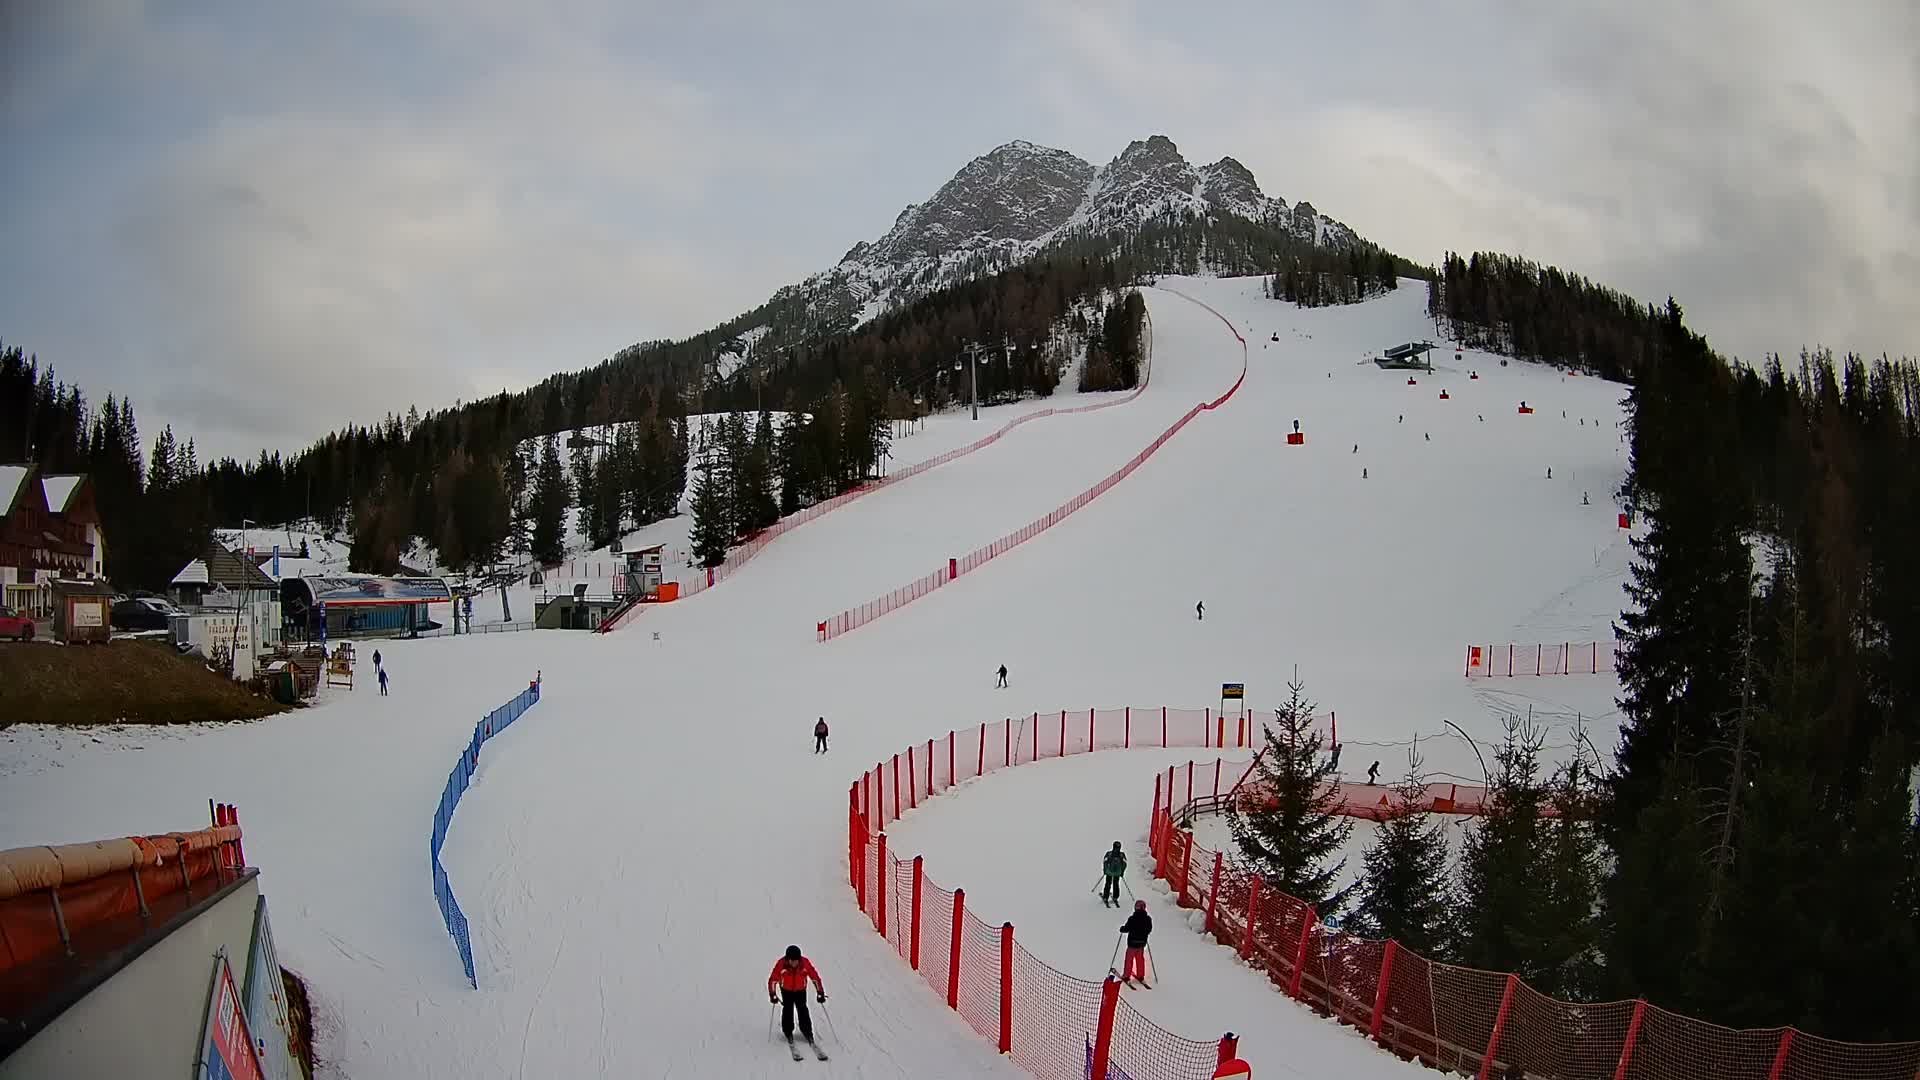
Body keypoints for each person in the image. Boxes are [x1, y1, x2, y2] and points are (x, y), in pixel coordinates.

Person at [768, 946, 827, 1045]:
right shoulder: (781, 964)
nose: (794, 963)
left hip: (800, 990)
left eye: (796, 960)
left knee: (802, 1009)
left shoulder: (805, 963)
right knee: (788, 1009)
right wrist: (772, 994)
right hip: (786, 990)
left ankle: (807, 1031)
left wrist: (820, 992)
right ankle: (788, 1031)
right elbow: (773, 980)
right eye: (792, 960)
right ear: (787, 959)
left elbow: (815, 977)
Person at [1119, 901, 1153, 985]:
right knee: (1140, 959)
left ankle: (1126, 975)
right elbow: (1149, 930)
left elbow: (1127, 928)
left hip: (1132, 943)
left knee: (1129, 960)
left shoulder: (1132, 918)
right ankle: (1140, 975)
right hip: (1141, 944)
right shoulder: (1148, 919)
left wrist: (1122, 929)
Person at [1101, 842, 1127, 907]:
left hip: (1109, 872)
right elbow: (1124, 864)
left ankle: (1105, 896)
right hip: (1118, 873)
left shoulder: (1109, 853)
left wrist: (1105, 871)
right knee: (1116, 884)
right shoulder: (1122, 855)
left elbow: (1105, 862)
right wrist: (1122, 872)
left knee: (1108, 883)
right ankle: (1115, 896)